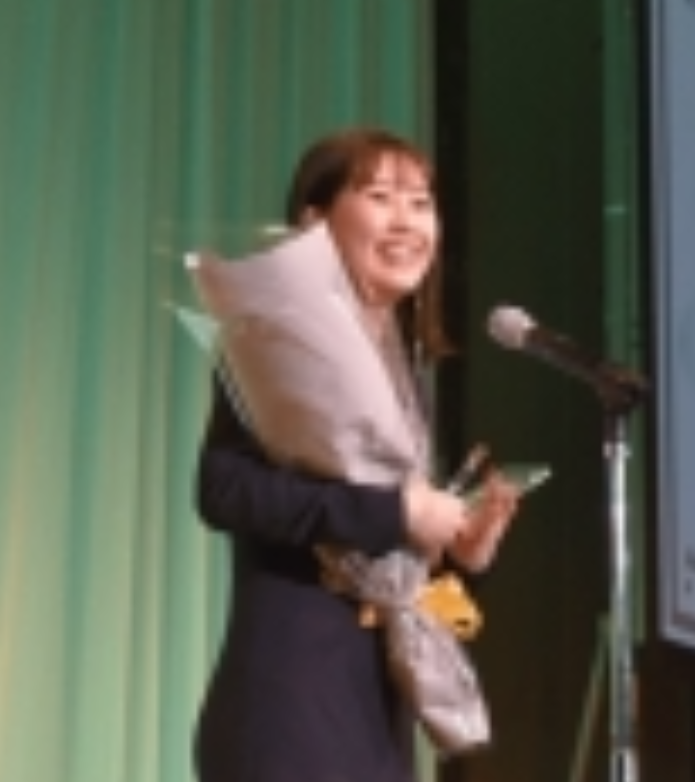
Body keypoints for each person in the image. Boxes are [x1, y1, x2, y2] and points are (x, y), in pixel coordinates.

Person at [193, 127, 522, 782]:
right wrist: (397, 513)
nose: (408, 221)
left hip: (372, 716)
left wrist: (459, 552)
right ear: (315, 222)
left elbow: (379, 554)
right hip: (290, 707)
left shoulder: (403, 375)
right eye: (380, 197)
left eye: (421, 202)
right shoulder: (275, 345)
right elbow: (223, 489)